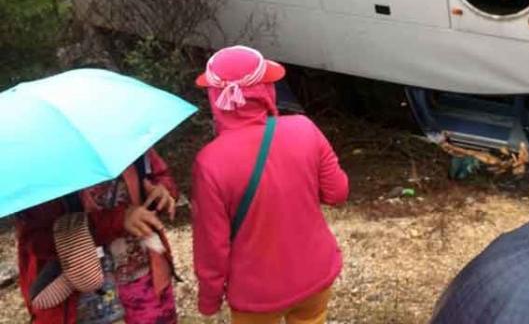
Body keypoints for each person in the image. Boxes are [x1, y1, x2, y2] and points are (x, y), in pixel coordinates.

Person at [191, 45, 349, 324]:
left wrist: (209, 298)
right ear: (266, 90)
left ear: (215, 98)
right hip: (314, 274)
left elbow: (212, 246)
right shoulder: (304, 128)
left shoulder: (209, 162)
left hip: (256, 295)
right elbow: (337, 193)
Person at [15, 150, 179, 323]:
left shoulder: (129, 142)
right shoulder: (38, 166)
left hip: (144, 276)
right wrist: (117, 220)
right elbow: (38, 240)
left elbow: (160, 175)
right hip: (80, 292)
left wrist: (163, 191)